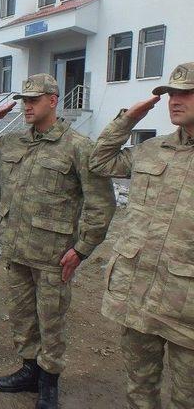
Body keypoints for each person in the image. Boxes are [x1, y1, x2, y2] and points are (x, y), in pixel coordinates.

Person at [0, 74, 116, 408]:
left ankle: (49, 382)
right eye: (24, 100)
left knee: (51, 321)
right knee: (22, 316)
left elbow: (101, 203)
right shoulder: (14, 143)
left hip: (53, 257)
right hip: (16, 250)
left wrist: (82, 249)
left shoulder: (78, 146)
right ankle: (29, 370)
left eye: (33, 100)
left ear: (53, 101)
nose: (26, 106)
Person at [89, 62, 194, 409]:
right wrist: (128, 118)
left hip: (187, 310)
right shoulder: (152, 149)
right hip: (138, 297)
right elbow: (99, 162)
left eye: (186, 93)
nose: (175, 101)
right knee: (139, 390)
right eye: (171, 94)